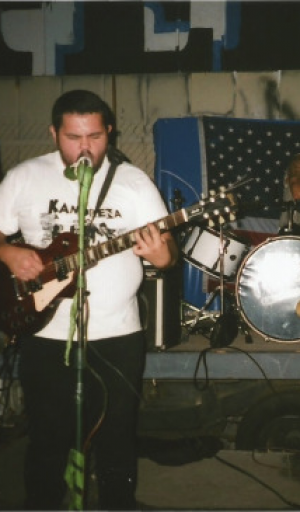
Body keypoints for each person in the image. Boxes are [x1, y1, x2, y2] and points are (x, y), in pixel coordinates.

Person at [0, 90, 178, 510]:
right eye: (73, 137)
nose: (85, 148)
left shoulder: (133, 181)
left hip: (118, 335)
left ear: (109, 132)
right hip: (43, 333)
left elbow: (168, 249)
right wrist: (8, 253)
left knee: (118, 436)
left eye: (95, 137)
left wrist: (162, 256)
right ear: (54, 133)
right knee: (46, 437)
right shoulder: (24, 177)